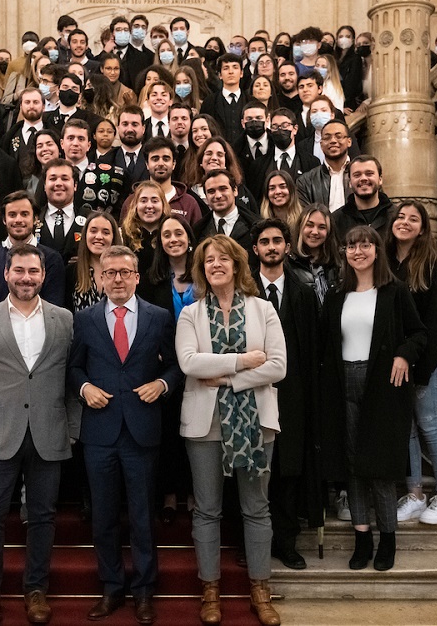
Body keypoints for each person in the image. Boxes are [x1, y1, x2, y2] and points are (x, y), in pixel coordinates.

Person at [175, 234, 286, 626]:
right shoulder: (191, 314)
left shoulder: (263, 309)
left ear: (238, 264)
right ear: (202, 270)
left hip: (257, 422)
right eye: (208, 261)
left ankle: (260, 588)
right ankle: (210, 588)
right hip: (205, 425)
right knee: (207, 510)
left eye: (223, 258)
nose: (216, 264)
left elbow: (277, 366)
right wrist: (242, 361)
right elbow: (189, 363)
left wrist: (226, 379)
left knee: (256, 508)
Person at [0, 244, 76, 626]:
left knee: (43, 516)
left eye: (33, 271)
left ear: (43, 276)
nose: (26, 277)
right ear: (6, 274)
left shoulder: (63, 319)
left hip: (49, 432)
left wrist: (72, 429)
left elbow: (73, 378)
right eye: (19, 271)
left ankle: (36, 590)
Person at [69, 245, 183, 624]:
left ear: (136, 276)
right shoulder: (83, 320)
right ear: (99, 278)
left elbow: (177, 369)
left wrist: (162, 386)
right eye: (110, 272)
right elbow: (74, 369)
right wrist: (84, 388)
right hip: (99, 433)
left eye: (124, 272)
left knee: (142, 515)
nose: (117, 279)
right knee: (103, 516)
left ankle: (145, 591)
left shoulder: (159, 317)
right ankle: (111, 588)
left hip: (142, 430)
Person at [318, 226, 426, 572]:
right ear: (345, 254)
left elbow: (419, 333)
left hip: (381, 384)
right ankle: (362, 538)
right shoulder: (337, 295)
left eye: (365, 245)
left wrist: (403, 355)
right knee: (353, 464)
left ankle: (388, 540)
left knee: (379, 466)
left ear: (377, 251)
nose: (358, 251)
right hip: (343, 383)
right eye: (351, 246)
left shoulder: (394, 292)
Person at [250, 219, 321, 571]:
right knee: (253, 469)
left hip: (292, 394)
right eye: (264, 241)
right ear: (255, 250)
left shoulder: (304, 291)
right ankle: (251, 542)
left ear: (288, 247)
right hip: (251, 392)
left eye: (278, 240)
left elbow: (311, 350)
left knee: (289, 469)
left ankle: (287, 542)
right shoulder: (244, 293)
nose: (271, 246)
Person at [388, 202, 437, 526]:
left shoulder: (433, 266)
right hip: (399, 362)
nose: (404, 222)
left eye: (413, 219)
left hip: (427, 361)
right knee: (407, 430)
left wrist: (423, 369)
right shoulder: (387, 263)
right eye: (400, 217)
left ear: (422, 229)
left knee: (431, 425)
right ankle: (415, 495)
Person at [146, 216, 198, 522]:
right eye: (167, 234)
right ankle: (168, 495)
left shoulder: (203, 276)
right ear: (160, 242)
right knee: (167, 432)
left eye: (179, 232)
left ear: (189, 238)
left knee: (195, 432)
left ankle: (193, 492)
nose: (173, 238)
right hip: (164, 367)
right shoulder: (153, 280)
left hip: (200, 367)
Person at [0, 190, 66, 311]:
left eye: (24, 214)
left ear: (35, 219)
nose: (18, 220)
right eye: (12, 215)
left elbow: (54, 307)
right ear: (4, 220)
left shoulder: (52, 259)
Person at [120, 137, 202, 226]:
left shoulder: (189, 203)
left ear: (173, 164)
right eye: (155, 159)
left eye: (166, 159)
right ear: (147, 164)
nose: (160, 163)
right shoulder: (131, 201)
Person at [193, 169, 261, 252]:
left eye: (223, 189)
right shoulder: (198, 230)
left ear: (235, 190)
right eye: (211, 191)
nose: (218, 195)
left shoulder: (256, 226)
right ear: (206, 197)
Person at [331, 155, 395, 241]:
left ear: (380, 179)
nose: (363, 178)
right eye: (357, 175)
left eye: (369, 174)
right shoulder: (336, 220)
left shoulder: (395, 216)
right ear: (350, 182)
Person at [69, 212, 124, 313]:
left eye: (106, 232)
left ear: (113, 237)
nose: (99, 236)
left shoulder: (126, 272)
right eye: (93, 231)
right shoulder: (71, 271)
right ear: (85, 235)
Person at [296, 118, 353, 211]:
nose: (333, 141)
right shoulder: (306, 182)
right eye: (327, 138)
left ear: (349, 141)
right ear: (321, 145)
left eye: (338, 136)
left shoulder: (362, 175)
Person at [289, 203, 341, 305]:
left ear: (329, 232)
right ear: (301, 227)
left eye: (321, 227)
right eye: (309, 225)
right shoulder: (289, 264)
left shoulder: (339, 262)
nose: (315, 232)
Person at [35, 158, 84, 263]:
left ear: (75, 185)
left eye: (64, 179)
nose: (58, 183)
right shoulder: (32, 219)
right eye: (53, 179)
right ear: (44, 185)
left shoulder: (90, 219)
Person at [200, 53, 247, 146]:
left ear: (241, 73)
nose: (231, 72)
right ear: (220, 75)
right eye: (226, 68)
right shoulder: (209, 102)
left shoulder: (251, 101)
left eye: (235, 67)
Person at [0, 88, 45, 158]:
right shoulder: (8, 138)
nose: (31, 106)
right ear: (21, 106)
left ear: (43, 106)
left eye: (35, 102)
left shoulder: (54, 134)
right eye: (27, 102)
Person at [259, 170, 303, 234]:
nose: (277, 192)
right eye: (272, 188)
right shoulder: (260, 224)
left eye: (282, 187)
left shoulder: (303, 221)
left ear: (291, 190)